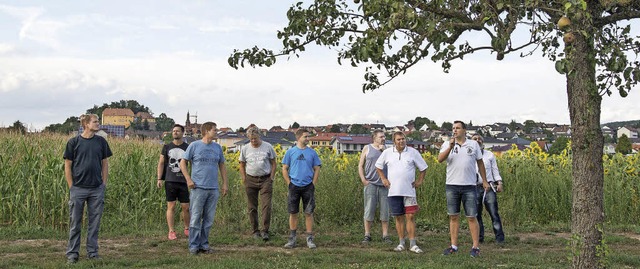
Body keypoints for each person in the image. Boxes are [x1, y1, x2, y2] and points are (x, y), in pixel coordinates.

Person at [63, 114, 113, 264]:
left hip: (96, 189)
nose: (98, 124)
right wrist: (71, 186)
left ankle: (92, 252)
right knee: (75, 223)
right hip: (78, 188)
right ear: (86, 124)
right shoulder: (73, 142)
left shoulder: (101, 142)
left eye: (98, 121)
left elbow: (105, 163)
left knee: (94, 223)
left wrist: (103, 184)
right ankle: (72, 254)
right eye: (95, 122)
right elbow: (68, 165)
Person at [438, 121, 489, 258]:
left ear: (464, 130)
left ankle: (475, 247)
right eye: (453, 128)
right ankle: (453, 246)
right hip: (452, 185)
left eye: (458, 128)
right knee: (453, 216)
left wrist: (484, 180)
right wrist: (450, 147)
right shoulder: (447, 144)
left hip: (469, 186)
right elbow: (440, 159)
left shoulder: (473, 145)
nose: (455, 130)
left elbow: (480, 162)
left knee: (472, 217)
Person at [179, 122, 228, 255]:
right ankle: (193, 245)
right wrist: (188, 179)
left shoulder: (217, 148)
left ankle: (204, 245)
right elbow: (183, 162)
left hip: (213, 188)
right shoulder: (194, 146)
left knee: (208, 219)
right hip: (198, 187)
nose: (216, 132)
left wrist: (224, 183)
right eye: (214, 130)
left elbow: (222, 165)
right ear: (206, 131)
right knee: (195, 217)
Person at [375, 132, 427, 254]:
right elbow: (378, 166)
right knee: (398, 217)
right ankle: (401, 243)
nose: (401, 141)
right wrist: (383, 178)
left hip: (409, 191)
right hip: (393, 191)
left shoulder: (413, 152)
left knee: (411, 216)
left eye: (403, 139)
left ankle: (413, 244)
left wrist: (419, 180)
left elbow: (423, 168)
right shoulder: (387, 153)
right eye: (399, 139)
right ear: (394, 141)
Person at [282, 129, 321, 249]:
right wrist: (289, 183)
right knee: (293, 212)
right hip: (294, 186)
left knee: (309, 212)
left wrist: (313, 183)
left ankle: (309, 239)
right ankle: (292, 239)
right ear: (299, 138)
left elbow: (317, 168)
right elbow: (284, 168)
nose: (308, 139)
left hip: (308, 186)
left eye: (308, 137)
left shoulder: (312, 153)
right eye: (305, 137)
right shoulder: (290, 152)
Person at [239, 127, 277, 241]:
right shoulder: (245, 149)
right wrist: (244, 178)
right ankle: (255, 231)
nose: (253, 141)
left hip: (265, 179)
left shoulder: (268, 147)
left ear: (259, 136)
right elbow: (241, 164)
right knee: (252, 206)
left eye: (255, 139)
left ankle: (265, 230)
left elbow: (274, 163)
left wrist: (271, 177)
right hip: (250, 179)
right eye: (251, 139)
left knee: (266, 206)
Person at [358, 129, 392, 244]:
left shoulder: (388, 150)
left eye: (384, 136)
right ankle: (367, 234)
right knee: (369, 209)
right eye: (381, 137)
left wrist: (384, 151)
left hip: (384, 185)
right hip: (371, 183)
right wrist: (363, 179)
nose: (383, 138)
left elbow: (392, 164)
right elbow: (360, 165)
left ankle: (385, 235)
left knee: (385, 211)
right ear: (374, 138)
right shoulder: (367, 148)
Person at [157, 124, 190, 240]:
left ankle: (187, 228)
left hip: (183, 180)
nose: (175, 132)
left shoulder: (187, 147)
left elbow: (193, 163)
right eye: (174, 131)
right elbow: (161, 163)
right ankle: (171, 231)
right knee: (171, 206)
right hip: (170, 180)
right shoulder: (166, 147)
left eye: (178, 131)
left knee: (186, 206)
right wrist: (159, 178)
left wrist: (191, 179)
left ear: (182, 133)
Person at [471, 134, 505, 243]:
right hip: (474, 187)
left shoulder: (489, 155)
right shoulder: (469, 156)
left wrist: (499, 183)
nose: (477, 140)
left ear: (482, 141)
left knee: (494, 213)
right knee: (476, 214)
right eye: (474, 139)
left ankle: (499, 238)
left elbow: (495, 170)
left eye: (479, 139)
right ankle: (479, 238)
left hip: (489, 187)